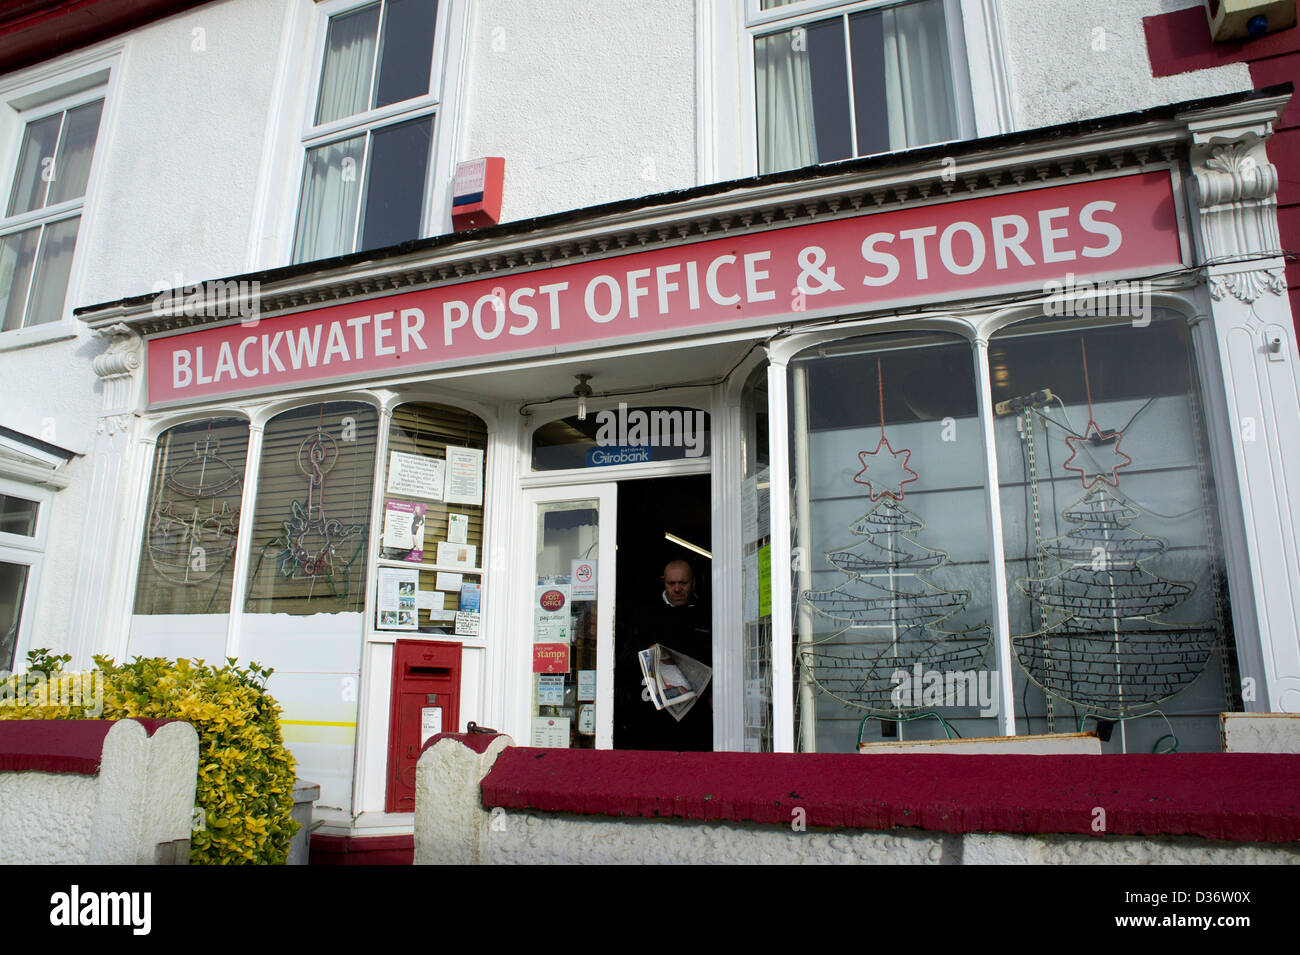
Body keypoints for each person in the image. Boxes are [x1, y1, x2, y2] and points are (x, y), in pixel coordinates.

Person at [615, 558, 713, 751]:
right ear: (664, 583)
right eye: (671, 583)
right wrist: (647, 653)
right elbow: (623, 658)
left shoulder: (708, 614)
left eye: (683, 583)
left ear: (693, 583)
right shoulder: (645, 615)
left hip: (696, 714)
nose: (677, 589)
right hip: (652, 714)